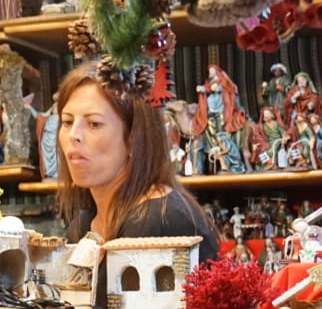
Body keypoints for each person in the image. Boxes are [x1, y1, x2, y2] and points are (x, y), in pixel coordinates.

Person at [55, 63, 221, 261]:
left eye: (94, 124)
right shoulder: (83, 224)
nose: (74, 135)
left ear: (135, 138)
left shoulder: (158, 218)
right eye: (67, 122)